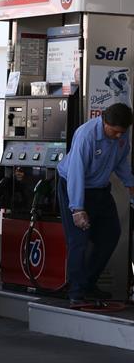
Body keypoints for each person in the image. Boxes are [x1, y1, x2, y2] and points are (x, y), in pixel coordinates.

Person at [57, 102, 134, 306]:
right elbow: (76, 173)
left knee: (111, 235)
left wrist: (131, 186)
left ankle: (88, 283)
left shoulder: (122, 136)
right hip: (74, 188)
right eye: (115, 131)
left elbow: (121, 163)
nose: (119, 136)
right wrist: (77, 208)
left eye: (122, 132)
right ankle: (76, 292)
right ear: (104, 121)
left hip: (100, 190)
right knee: (78, 242)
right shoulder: (86, 136)